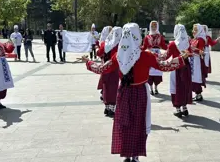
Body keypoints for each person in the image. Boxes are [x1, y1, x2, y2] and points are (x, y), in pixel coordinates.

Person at [81, 23, 190, 162]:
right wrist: (181, 59)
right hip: (140, 93)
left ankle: (126, 155)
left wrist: (88, 62)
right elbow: (164, 66)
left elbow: (101, 68)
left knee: (124, 123)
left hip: (123, 93)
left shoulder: (118, 56)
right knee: (139, 124)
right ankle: (135, 156)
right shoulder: (145, 56)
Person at [157, 24, 193, 118]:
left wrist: (156, 56)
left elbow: (166, 56)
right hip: (186, 67)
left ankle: (178, 109)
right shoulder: (188, 42)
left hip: (176, 66)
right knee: (185, 86)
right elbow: (190, 54)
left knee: (176, 87)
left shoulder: (173, 44)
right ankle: (185, 108)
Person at [96, 27, 122, 117]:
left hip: (105, 68)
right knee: (113, 88)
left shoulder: (105, 43)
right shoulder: (119, 45)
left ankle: (107, 108)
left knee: (106, 87)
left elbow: (99, 53)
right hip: (114, 69)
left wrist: (96, 47)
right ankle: (111, 108)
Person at [141, 21, 167, 95]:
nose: (154, 27)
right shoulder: (147, 37)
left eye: (155, 26)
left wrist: (171, 48)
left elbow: (164, 46)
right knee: (150, 72)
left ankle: (156, 87)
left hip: (158, 54)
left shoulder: (160, 36)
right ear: (150, 26)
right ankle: (151, 88)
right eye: (152, 26)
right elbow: (144, 47)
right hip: (149, 54)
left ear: (157, 27)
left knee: (157, 71)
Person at [189, 24, 207, 102]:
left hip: (197, 61)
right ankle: (196, 94)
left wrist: (193, 49)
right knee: (192, 77)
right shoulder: (194, 39)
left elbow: (201, 51)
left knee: (197, 76)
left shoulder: (201, 39)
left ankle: (199, 94)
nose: (193, 31)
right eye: (193, 29)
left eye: (195, 30)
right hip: (192, 59)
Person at [97, 26, 113, 101]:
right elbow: (100, 53)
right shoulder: (104, 43)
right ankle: (104, 93)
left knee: (111, 80)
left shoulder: (114, 41)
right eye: (109, 31)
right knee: (105, 79)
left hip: (113, 63)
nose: (111, 32)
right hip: (106, 63)